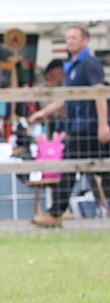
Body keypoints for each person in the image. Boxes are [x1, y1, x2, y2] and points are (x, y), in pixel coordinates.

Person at [27, 25, 108, 227]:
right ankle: (55, 213)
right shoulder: (72, 66)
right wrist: (44, 112)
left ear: (85, 40)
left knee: (81, 170)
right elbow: (68, 98)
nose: (70, 41)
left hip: (88, 127)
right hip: (78, 128)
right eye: (68, 38)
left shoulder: (89, 64)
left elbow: (100, 94)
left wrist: (103, 125)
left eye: (74, 38)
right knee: (81, 170)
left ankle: (54, 214)